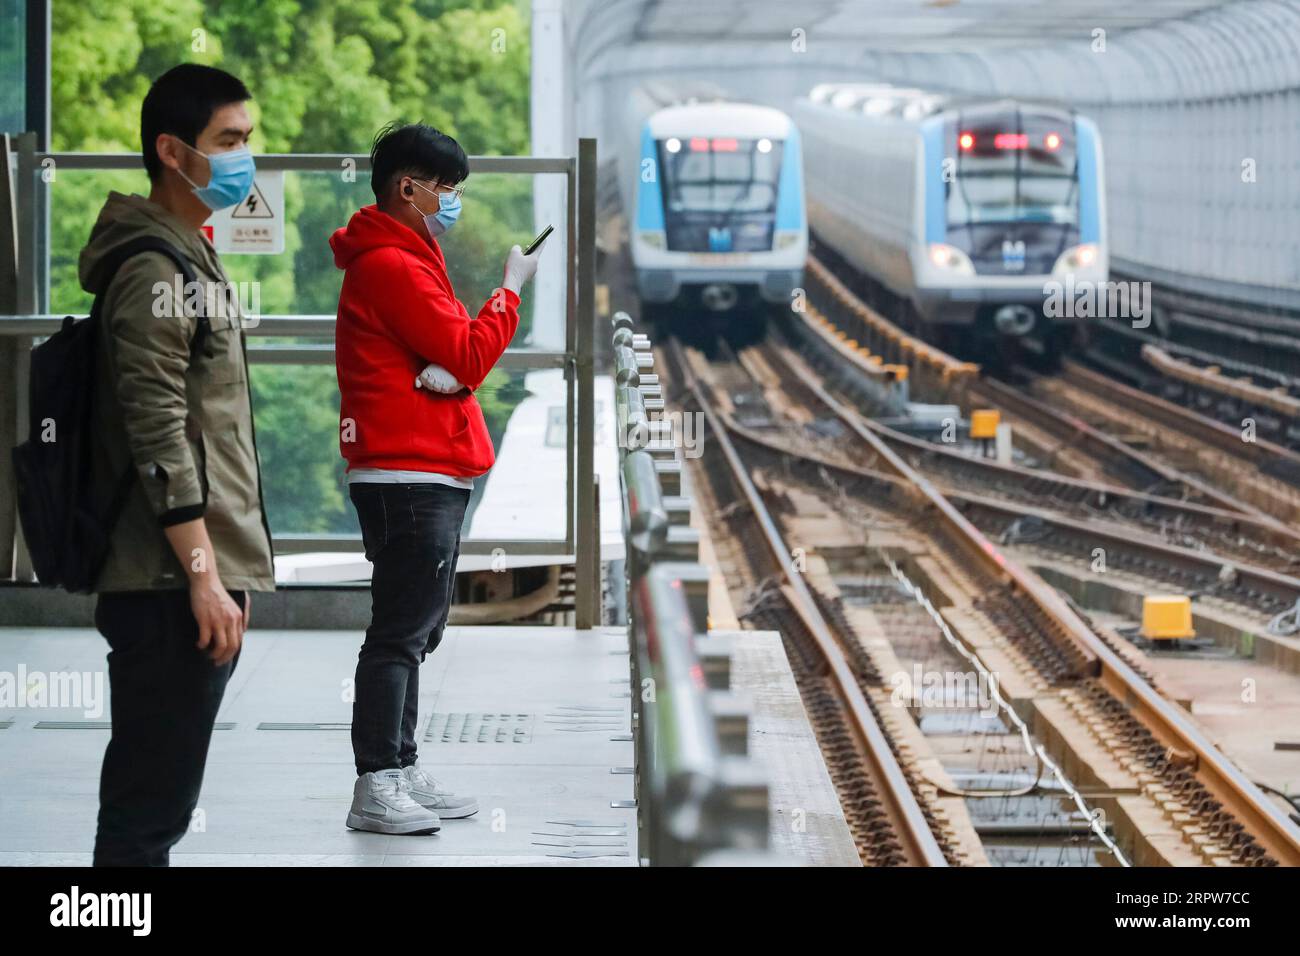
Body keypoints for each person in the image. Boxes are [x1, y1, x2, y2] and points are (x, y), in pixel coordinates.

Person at [80, 63, 275, 865]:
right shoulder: (155, 271)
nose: (244, 158)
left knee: (156, 797)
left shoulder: (189, 255)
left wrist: (222, 568)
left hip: (184, 571)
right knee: (147, 807)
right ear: (171, 150)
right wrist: (201, 573)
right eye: (228, 141)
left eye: (248, 140)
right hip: (162, 577)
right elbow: (158, 432)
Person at [330, 123, 545, 834]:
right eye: (445, 188)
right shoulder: (392, 265)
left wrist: (450, 370)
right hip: (406, 472)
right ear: (407, 187)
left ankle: (400, 763)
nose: (451, 201)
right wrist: (508, 295)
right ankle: (376, 782)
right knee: (398, 631)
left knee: (418, 628)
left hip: (424, 468)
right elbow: (471, 352)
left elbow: (455, 358)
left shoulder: (411, 258)